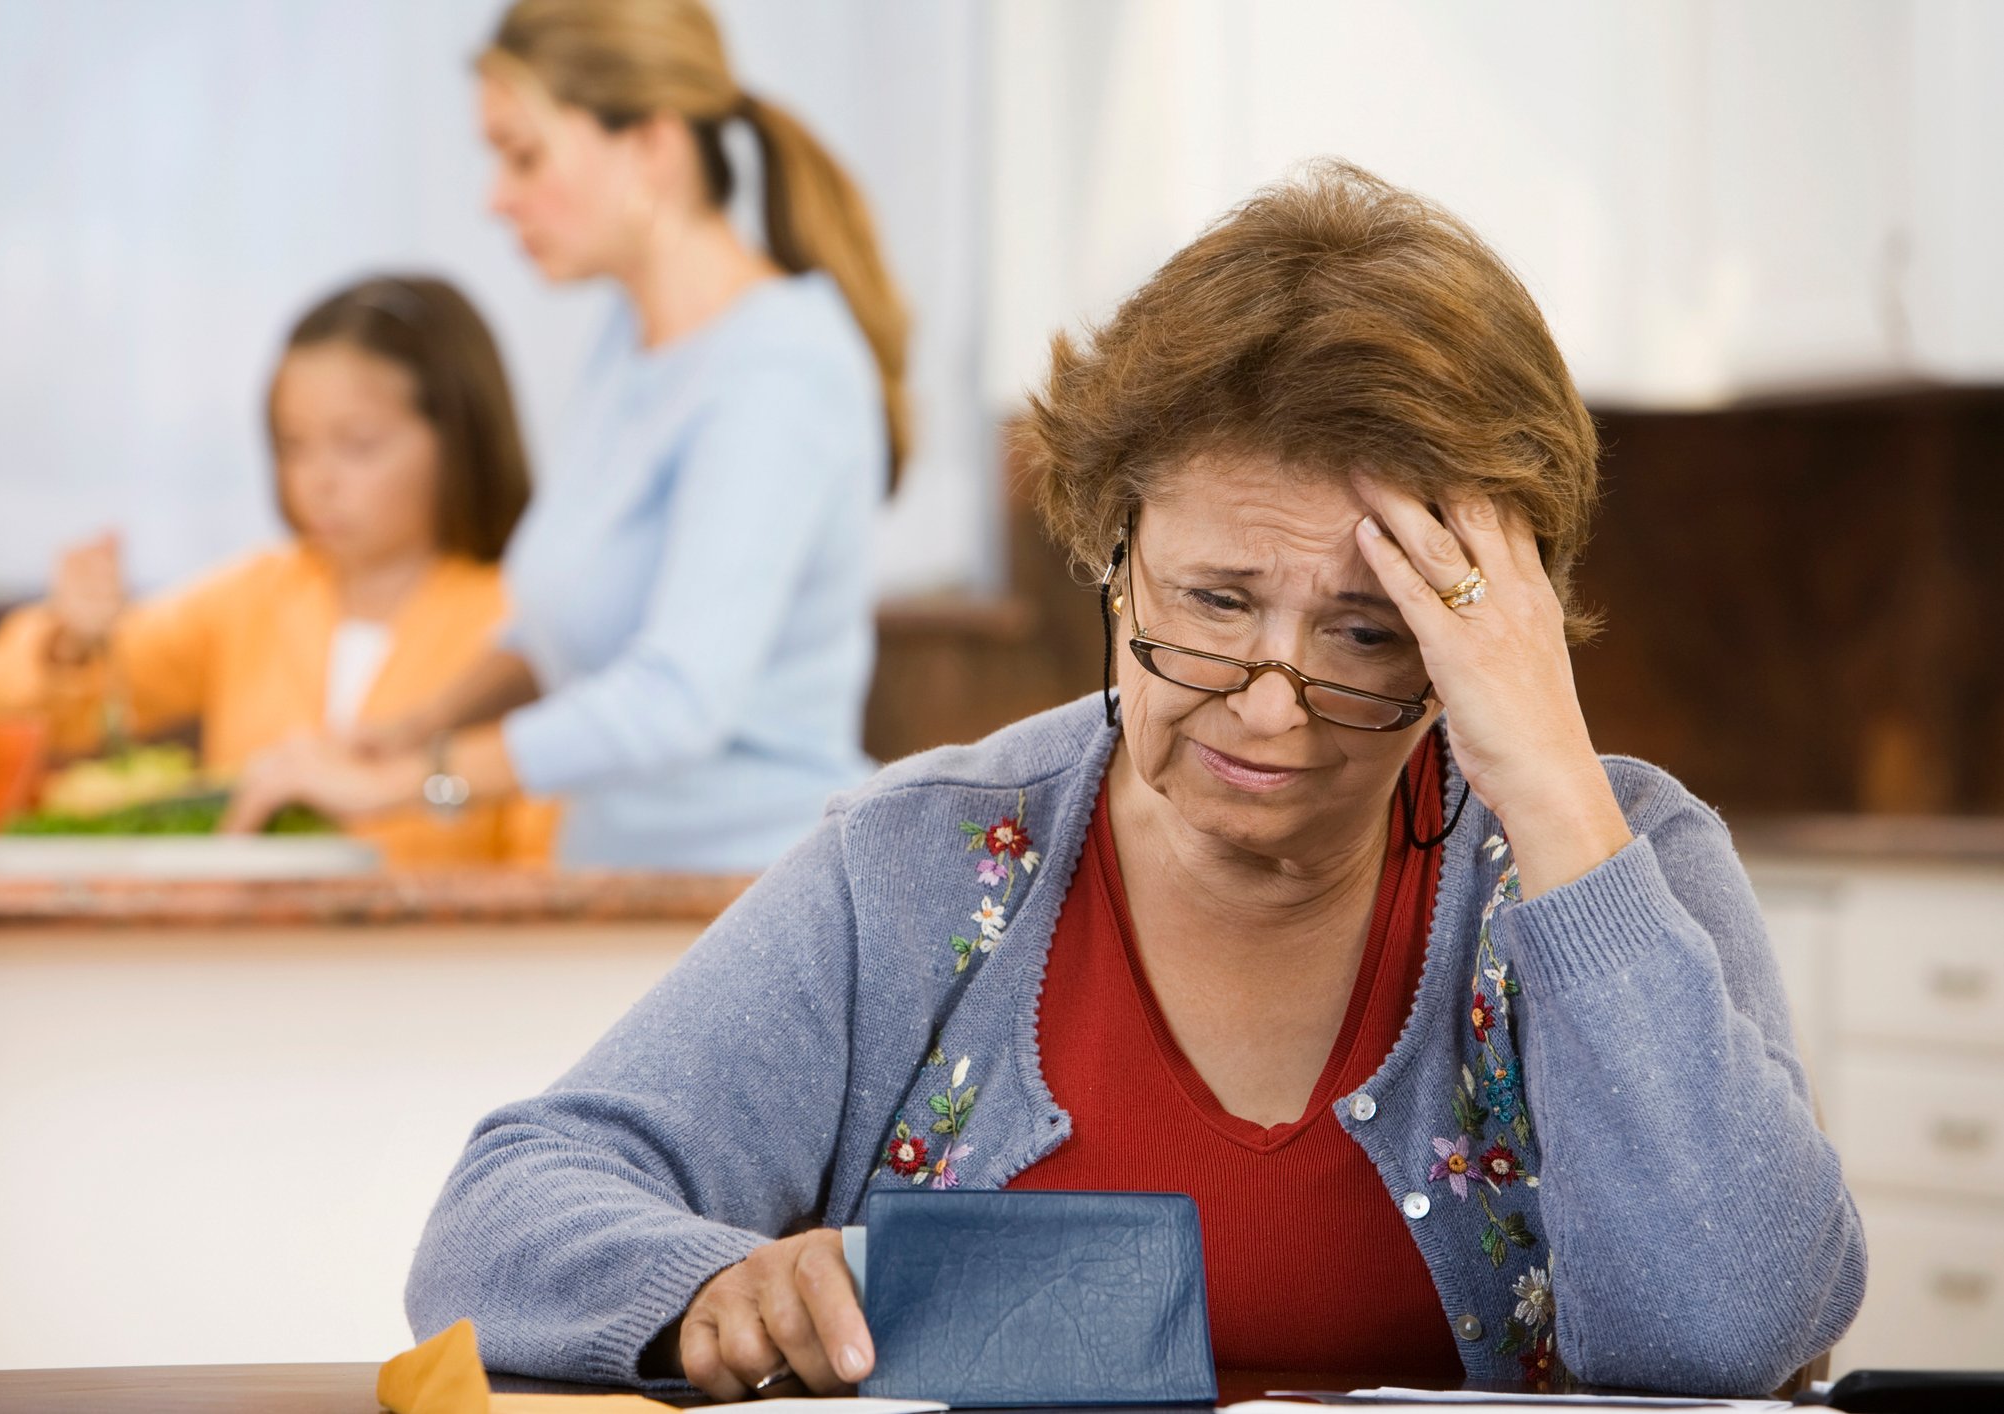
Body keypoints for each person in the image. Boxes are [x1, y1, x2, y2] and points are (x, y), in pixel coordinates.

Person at [402, 163, 1864, 1395]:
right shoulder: (925, 863)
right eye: (1214, 605)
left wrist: (1548, 783)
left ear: (1489, 626)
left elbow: (1732, 1332)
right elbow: (499, 1219)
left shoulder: (1622, 852)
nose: (1273, 704)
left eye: (1367, 633)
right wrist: (716, 1281)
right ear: (1114, 555)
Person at [227, 0, 905, 871]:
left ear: (651, 145)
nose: (496, 198)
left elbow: (676, 697)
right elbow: (569, 634)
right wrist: (412, 731)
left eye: (524, 155)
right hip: (615, 887)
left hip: (753, 903)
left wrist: (418, 781)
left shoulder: (777, 369)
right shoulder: (630, 344)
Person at [0, 275, 554, 867]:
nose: (319, 480)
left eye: (359, 444)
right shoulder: (250, 599)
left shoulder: (521, 626)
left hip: (445, 955)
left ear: (460, 439)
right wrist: (69, 642)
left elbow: (549, 840)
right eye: (293, 445)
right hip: (244, 953)